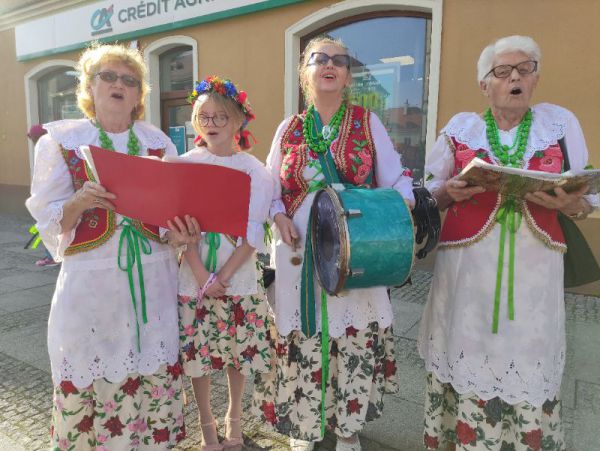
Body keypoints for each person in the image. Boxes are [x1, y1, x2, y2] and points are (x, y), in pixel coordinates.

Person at [418, 35, 599, 450]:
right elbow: (428, 190)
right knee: (466, 347)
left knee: (530, 352)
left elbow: (586, 194)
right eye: (503, 71)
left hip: (536, 267)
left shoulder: (560, 124)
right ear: (485, 84)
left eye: (525, 68)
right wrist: (448, 192)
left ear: (535, 79)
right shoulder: (460, 128)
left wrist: (571, 203)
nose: (515, 77)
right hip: (467, 268)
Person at [252, 37, 415, 451]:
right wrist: (278, 215)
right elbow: (269, 187)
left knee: (353, 337)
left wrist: (394, 215)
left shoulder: (366, 121)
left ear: (346, 75)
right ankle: (306, 425)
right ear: (305, 71)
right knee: (304, 333)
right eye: (319, 58)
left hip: (354, 250)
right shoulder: (288, 128)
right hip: (297, 249)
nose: (329, 65)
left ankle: (347, 428)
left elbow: (396, 182)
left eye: (338, 61)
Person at [26, 43, 185, 449]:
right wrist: (79, 201)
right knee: (88, 368)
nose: (118, 84)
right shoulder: (61, 141)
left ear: (138, 96)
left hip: (153, 281)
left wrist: (181, 234)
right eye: (108, 76)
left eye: (129, 80)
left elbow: (172, 216)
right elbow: (49, 221)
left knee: (150, 370)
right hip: (91, 287)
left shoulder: (158, 142)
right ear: (89, 87)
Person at [167, 76, 273, 451]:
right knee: (199, 356)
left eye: (220, 117)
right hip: (195, 274)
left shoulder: (255, 171)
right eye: (204, 116)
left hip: (237, 275)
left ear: (238, 122)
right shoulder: (184, 164)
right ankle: (206, 424)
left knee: (236, 354)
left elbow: (254, 232)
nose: (211, 123)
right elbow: (177, 224)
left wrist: (223, 276)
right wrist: (200, 273)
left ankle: (234, 419)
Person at [27, 124, 60, 267]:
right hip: (52, 194)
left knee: (48, 225)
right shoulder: (50, 146)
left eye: (33, 138)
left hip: (52, 194)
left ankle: (52, 256)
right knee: (50, 226)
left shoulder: (46, 148)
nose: (32, 140)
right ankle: (53, 255)